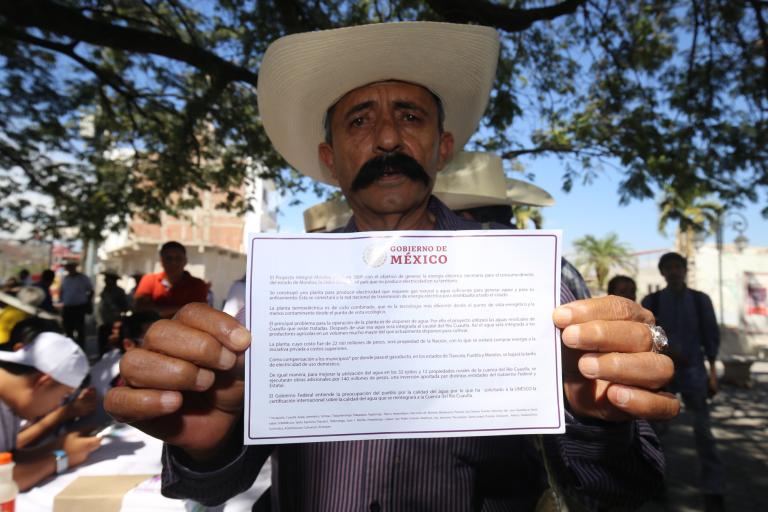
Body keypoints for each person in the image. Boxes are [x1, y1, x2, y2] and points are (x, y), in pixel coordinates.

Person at [106, 22, 678, 511]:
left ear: (443, 147)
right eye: (358, 120)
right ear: (329, 159)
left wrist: (600, 423)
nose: (385, 137)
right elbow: (216, 483)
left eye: (409, 116)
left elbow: (617, 489)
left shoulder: (541, 284)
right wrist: (206, 443)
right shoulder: (268, 296)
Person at [641, 252, 725, 511]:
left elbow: (711, 337)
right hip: (662, 374)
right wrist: (667, 351)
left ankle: (714, 490)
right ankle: (656, 484)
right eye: (669, 267)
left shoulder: (700, 301)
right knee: (656, 432)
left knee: (703, 432)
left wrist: (712, 375)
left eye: (679, 266)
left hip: (695, 375)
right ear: (662, 272)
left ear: (685, 270)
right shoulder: (652, 300)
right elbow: (649, 333)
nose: (675, 271)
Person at [0, 331, 101, 490]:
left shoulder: (10, 403)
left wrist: (59, 447)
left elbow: (10, 459)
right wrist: (61, 459)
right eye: (63, 395)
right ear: (43, 382)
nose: (57, 405)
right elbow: (3, 482)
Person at [133, 242, 208, 318]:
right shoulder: (149, 280)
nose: (173, 262)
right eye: (169, 258)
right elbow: (141, 309)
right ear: (162, 261)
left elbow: (199, 312)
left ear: (185, 261)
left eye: (178, 258)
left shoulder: (197, 284)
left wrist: (159, 310)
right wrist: (182, 309)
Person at [59, 261, 93, 349]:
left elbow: (90, 291)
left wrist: (88, 303)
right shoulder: (65, 279)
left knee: (80, 329)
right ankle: (70, 348)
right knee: (68, 330)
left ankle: (81, 348)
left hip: (79, 307)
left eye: (71, 267)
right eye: (68, 267)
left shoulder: (83, 278)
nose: (69, 269)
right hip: (67, 307)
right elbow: (62, 291)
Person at [97, 270, 129, 356]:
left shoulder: (119, 292)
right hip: (103, 323)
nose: (105, 280)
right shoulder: (104, 291)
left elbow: (125, 307)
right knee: (103, 346)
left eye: (107, 279)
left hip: (114, 324)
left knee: (115, 347)